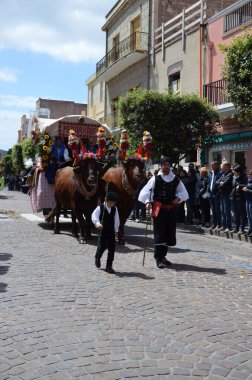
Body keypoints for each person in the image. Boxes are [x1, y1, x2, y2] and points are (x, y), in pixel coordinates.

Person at [138, 156, 188, 269]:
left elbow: (183, 192)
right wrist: (147, 202)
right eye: (164, 164)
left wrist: (178, 198)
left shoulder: (175, 179)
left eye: (168, 165)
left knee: (168, 233)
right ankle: (158, 258)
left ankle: (163, 256)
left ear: (170, 166)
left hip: (171, 209)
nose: (166, 166)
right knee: (159, 233)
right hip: (158, 208)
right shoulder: (155, 178)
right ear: (161, 166)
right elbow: (145, 192)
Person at [92, 191, 120, 274]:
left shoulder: (115, 208)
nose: (111, 205)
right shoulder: (100, 208)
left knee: (112, 249)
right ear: (106, 200)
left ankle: (109, 266)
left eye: (113, 203)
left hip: (111, 231)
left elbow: (117, 220)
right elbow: (94, 216)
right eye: (110, 203)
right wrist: (97, 224)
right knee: (102, 246)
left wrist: (116, 230)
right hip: (103, 230)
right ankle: (97, 257)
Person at [215, 162, 233, 232]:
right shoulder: (223, 174)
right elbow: (217, 182)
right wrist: (220, 183)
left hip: (227, 195)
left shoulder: (230, 174)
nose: (221, 167)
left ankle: (229, 226)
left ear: (226, 167)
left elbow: (225, 183)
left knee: (227, 211)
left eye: (222, 166)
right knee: (223, 211)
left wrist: (221, 183)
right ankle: (224, 226)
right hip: (222, 195)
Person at [230, 165, 247, 235]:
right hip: (233, 197)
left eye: (234, 171)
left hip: (240, 197)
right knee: (236, 214)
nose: (233, 172)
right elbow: (232, 186)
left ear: (238, 172)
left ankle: (241, 228)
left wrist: (240, 186)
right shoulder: (234, 177)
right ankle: (236, 228)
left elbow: (246, 185)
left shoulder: (243, 177)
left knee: (242, 214)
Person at [208, 161, 222, 230]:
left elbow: (219, 183)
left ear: (217, 165)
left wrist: (217, 191)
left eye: (213, 165)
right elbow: (209, 182)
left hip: (217, 194)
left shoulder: (220, 173)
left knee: (217, 209)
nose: (212, 167)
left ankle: (219, 224)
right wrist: (208, 191)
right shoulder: (211, 173)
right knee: (213, 209)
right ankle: (214, 223)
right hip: (211, 194)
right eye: (211, 165)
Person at [242, 169, 252, 237]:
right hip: (247, 199)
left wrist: (248, 190)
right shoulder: (249, 181)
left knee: (251, 216)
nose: (249, 175)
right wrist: (244, 188)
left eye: (251, 174)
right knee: (249, 216)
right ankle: (250, 229)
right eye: (250, 174)